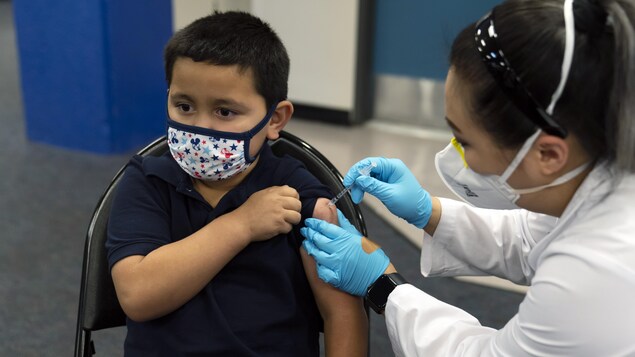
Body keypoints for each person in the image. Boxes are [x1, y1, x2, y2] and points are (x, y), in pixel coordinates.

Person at [301, 0, 635, 355]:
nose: (454, 154)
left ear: (548, 155)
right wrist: (427, 212)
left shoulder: (597, 271)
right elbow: (529, 241)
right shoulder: (602, 167)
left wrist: (383, 285)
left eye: (464, 141)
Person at [105, 11, 368, 356]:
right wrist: (242, 224)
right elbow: (138, 296)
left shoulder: (300, 194)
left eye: (224, 112)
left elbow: (343, 314)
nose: (200, 127)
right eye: (184, 105)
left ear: (275, 119)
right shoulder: (147, 182)